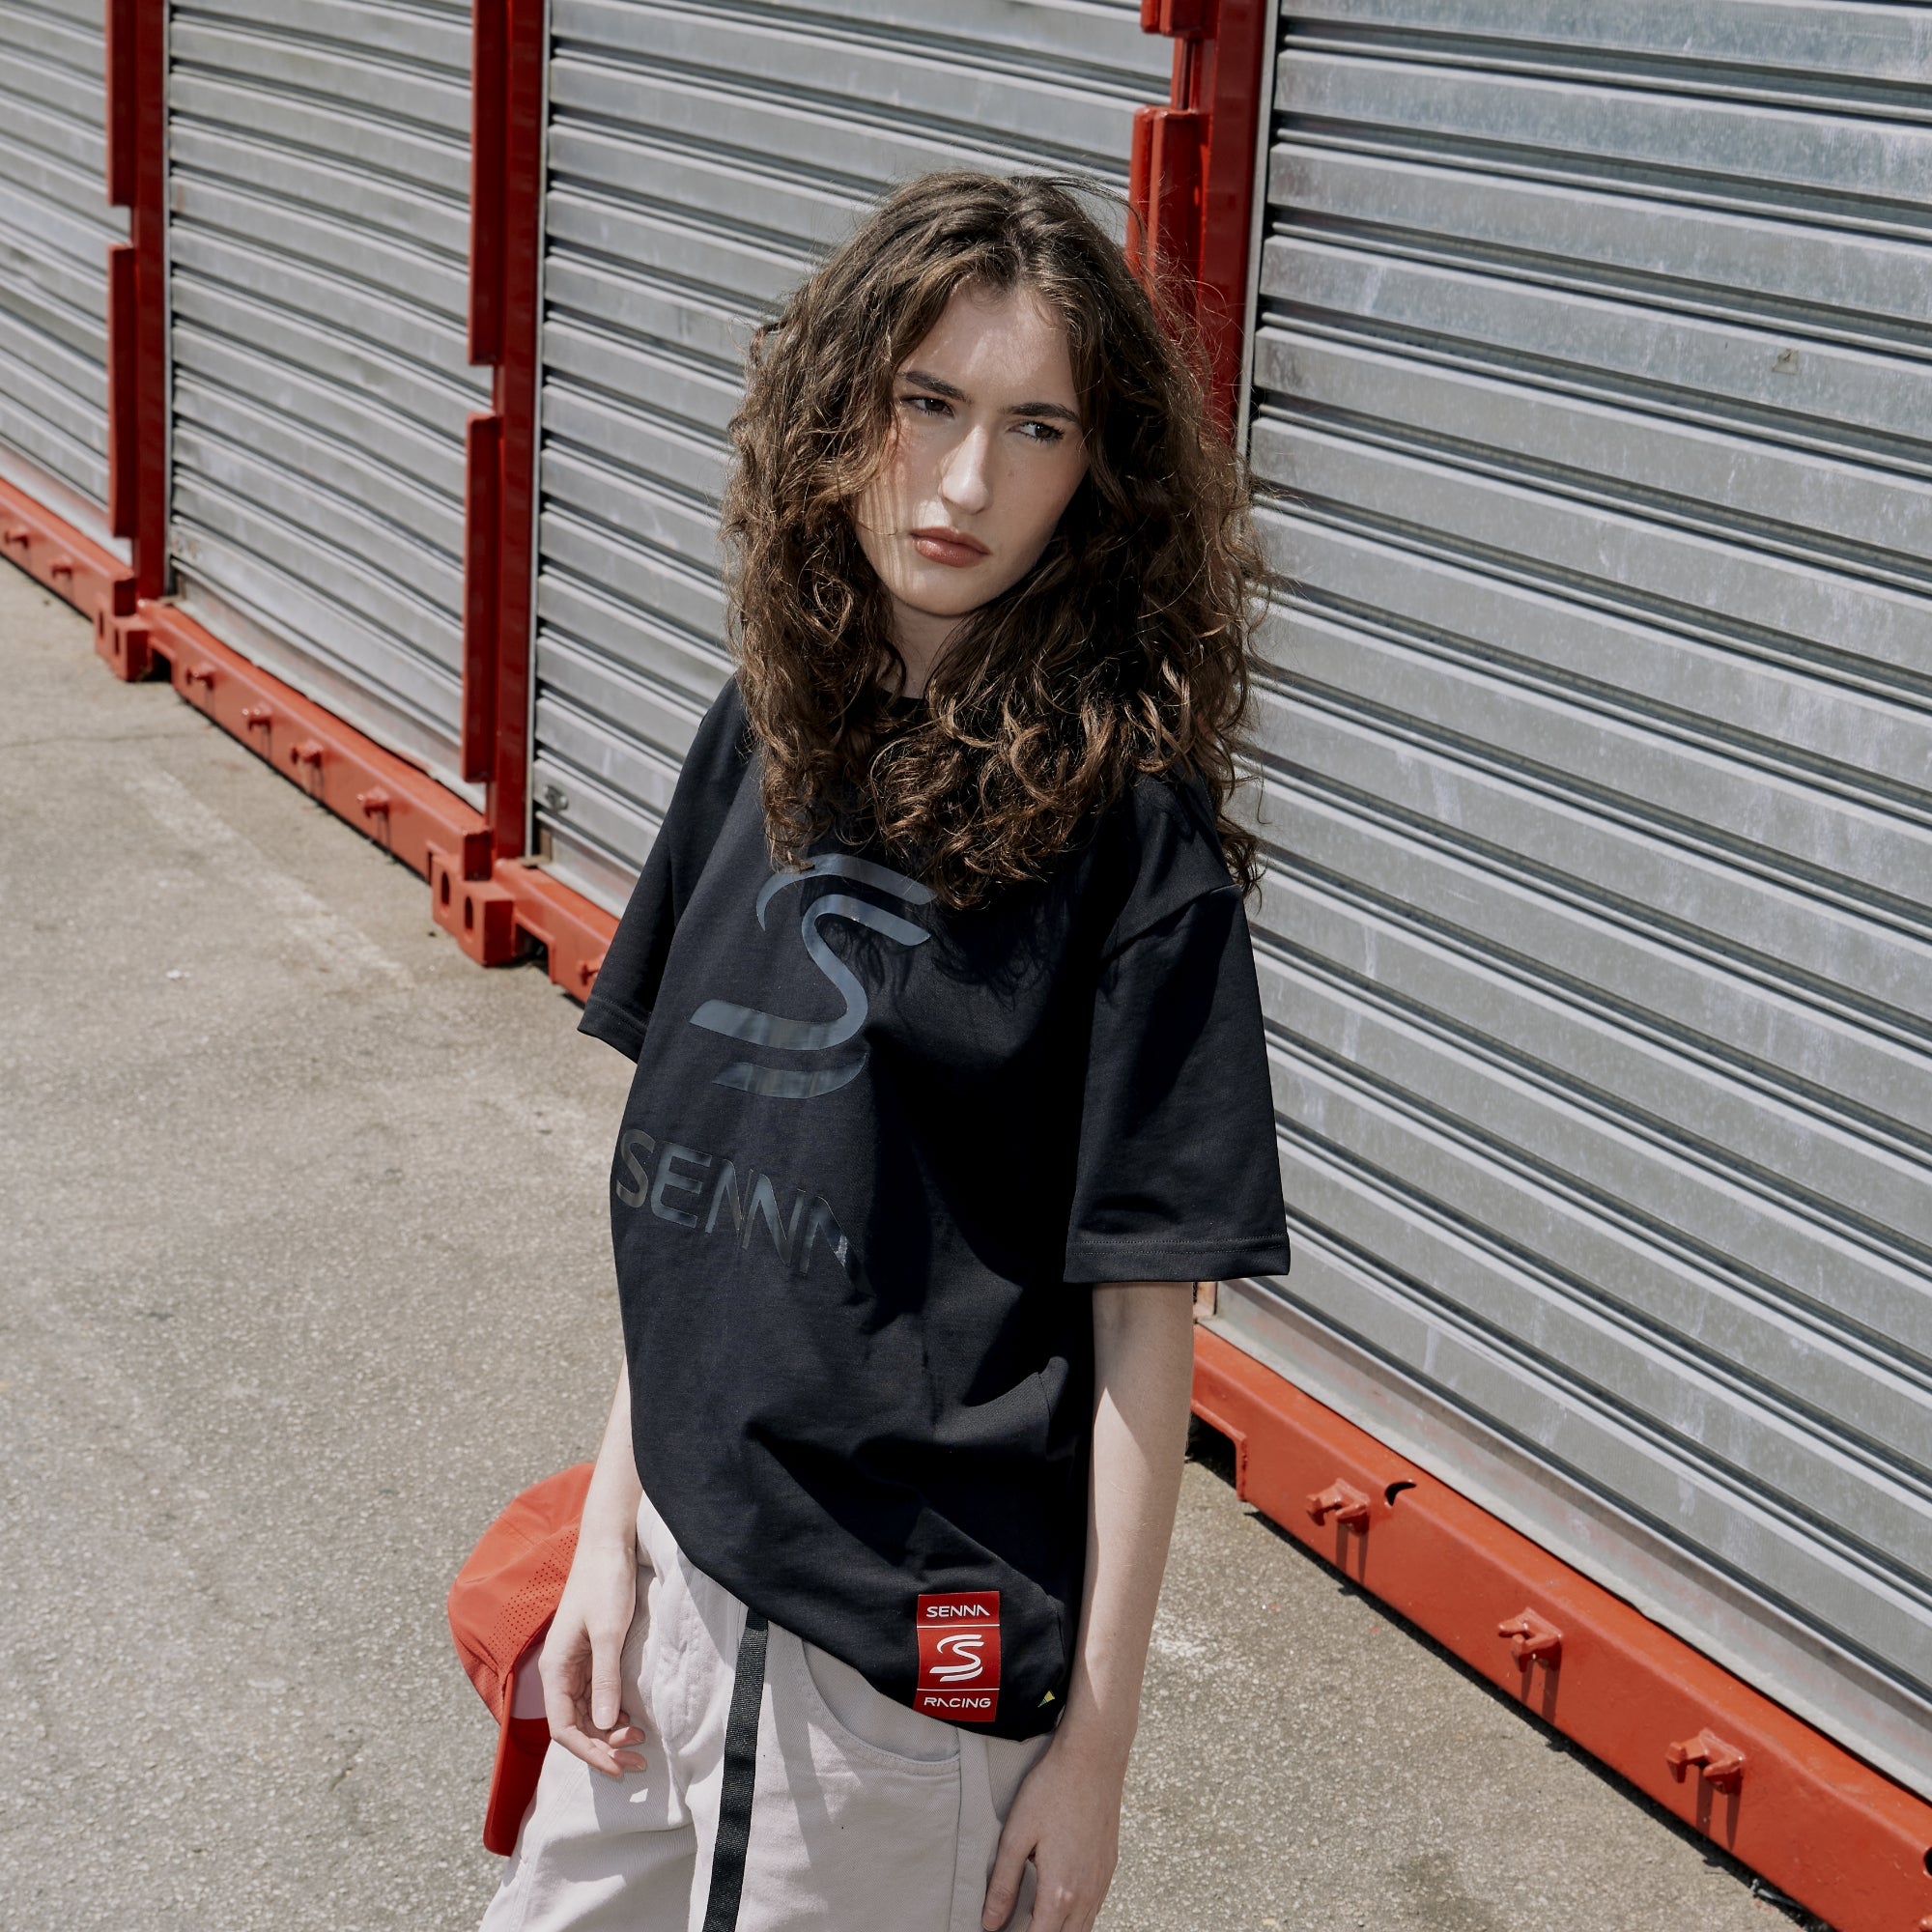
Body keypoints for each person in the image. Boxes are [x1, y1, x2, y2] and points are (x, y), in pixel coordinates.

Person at [478, 170, 1289, 1932]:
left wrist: (1095, 1757)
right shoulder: (762, 732)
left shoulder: (1134, 850)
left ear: (1102, 476)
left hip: (897, 1665)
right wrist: (612, 1523)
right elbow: (705, 1202)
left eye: (1036, 426)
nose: (966, 481)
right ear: (842, 409)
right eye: (928, 402)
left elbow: (1149, 1321)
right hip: (676, 1585)